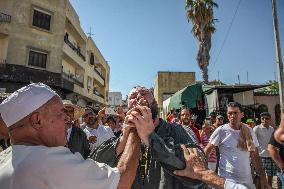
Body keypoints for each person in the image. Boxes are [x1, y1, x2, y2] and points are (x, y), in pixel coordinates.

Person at [0, 82, 148, 189]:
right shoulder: (47, 162)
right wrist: (135, 127)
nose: (67, 119)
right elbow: (122, 180)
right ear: (37, 121)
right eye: (61, 113)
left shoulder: (5, 157)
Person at [92, 86, 202, 189]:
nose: (139, 97)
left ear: (155, 101)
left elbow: (198, 172)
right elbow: (93, 167)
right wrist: (124, 138)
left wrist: (150, 137)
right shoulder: (120, 137)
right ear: (128, 107)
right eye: (133, 97)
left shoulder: (180, 130)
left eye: (144, 93)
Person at [204, 102, 270, 189]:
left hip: (246, 178)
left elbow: (255, 156)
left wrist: (263, 180)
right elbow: (207, 150)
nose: (232, 115)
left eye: (235, 113)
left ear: (241, 114)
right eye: (230, 113)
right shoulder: (221, 131)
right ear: (227, 115)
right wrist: (204, 172)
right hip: (227, 179)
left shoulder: (249, 131)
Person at [253, 112, 276, 187]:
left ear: (270, 119)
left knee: (270, 175)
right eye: (263, 118)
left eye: (266, 118)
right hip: (260, 156)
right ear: (260, 119)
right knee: (259, 176)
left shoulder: (272, 129)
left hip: (270, 156)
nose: (264, 120)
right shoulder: (256, 129)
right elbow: (252, 143)